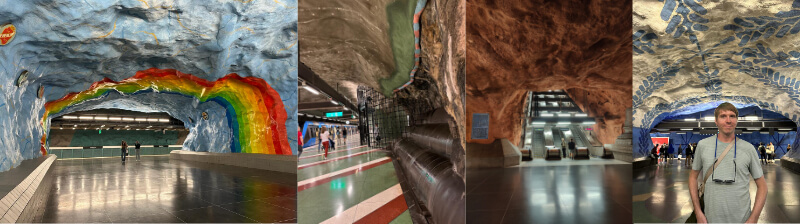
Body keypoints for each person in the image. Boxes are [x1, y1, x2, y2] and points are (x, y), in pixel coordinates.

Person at [688, 102, 766, 223]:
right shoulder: (703, 146)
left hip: (742, 219)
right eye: (723, 116)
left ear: (737, 120)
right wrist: (698, 212)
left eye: (732, 116)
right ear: (716, 121)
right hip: (710, 219)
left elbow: (763, 186)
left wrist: (753, 219)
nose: (728, 120)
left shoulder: (748, 149)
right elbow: (693, 178)